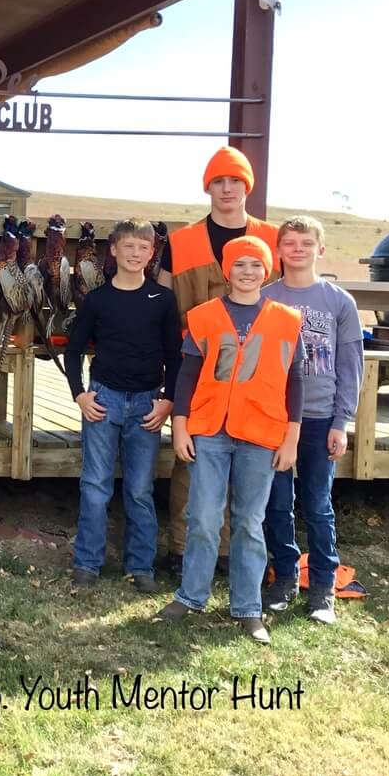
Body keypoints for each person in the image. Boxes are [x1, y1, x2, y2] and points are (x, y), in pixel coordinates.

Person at [157, 236, 304, 644]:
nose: (247, 272)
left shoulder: (287, 320)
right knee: (203, 518)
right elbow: (186, 377)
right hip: (210, 431)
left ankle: (248, 608)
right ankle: (190, 596)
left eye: (255, 265)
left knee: (249, 523)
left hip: (261, 433)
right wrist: (181, 426)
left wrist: (291, 438)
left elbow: (295, 382)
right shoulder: (204, 316)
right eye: (239, 264)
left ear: (267, 270)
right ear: (227, 270)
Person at [157, 146, 280, 575]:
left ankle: (236, 555)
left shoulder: (274, 239)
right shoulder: (180, 242)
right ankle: (182, 550)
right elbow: (163, 307)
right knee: (191, 458)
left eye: (235, 181)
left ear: (248, 187)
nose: (227, 189)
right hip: (197, 367)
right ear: (207, 187)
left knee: (250, 459)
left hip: (257, 371)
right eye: (218, 181)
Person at [64, 219, 182, 592]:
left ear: (151, 254)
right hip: (104, 399)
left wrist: (168, 401)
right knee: (95, 485)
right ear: (113, 250)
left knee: (139, 488)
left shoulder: (162, 299)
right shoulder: (98, 299)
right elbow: (73, 350)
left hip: (147, 404)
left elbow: (174, 355)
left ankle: (140, 565)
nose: (135, 253)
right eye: (128, 246)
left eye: (143, 248)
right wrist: (79, 394)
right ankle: (87, 562)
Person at [261, 216, 363, 625]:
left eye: (306, 243)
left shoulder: (339, 301)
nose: (298, 250)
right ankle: (285, 577)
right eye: (290, 243)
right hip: (275, 417)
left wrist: (342, 421)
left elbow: (350, 365)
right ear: (279, 250)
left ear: (320, 250)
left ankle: (323, 586)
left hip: (321, 417)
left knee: (319, 505)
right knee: (277, 503)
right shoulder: (265, 297)